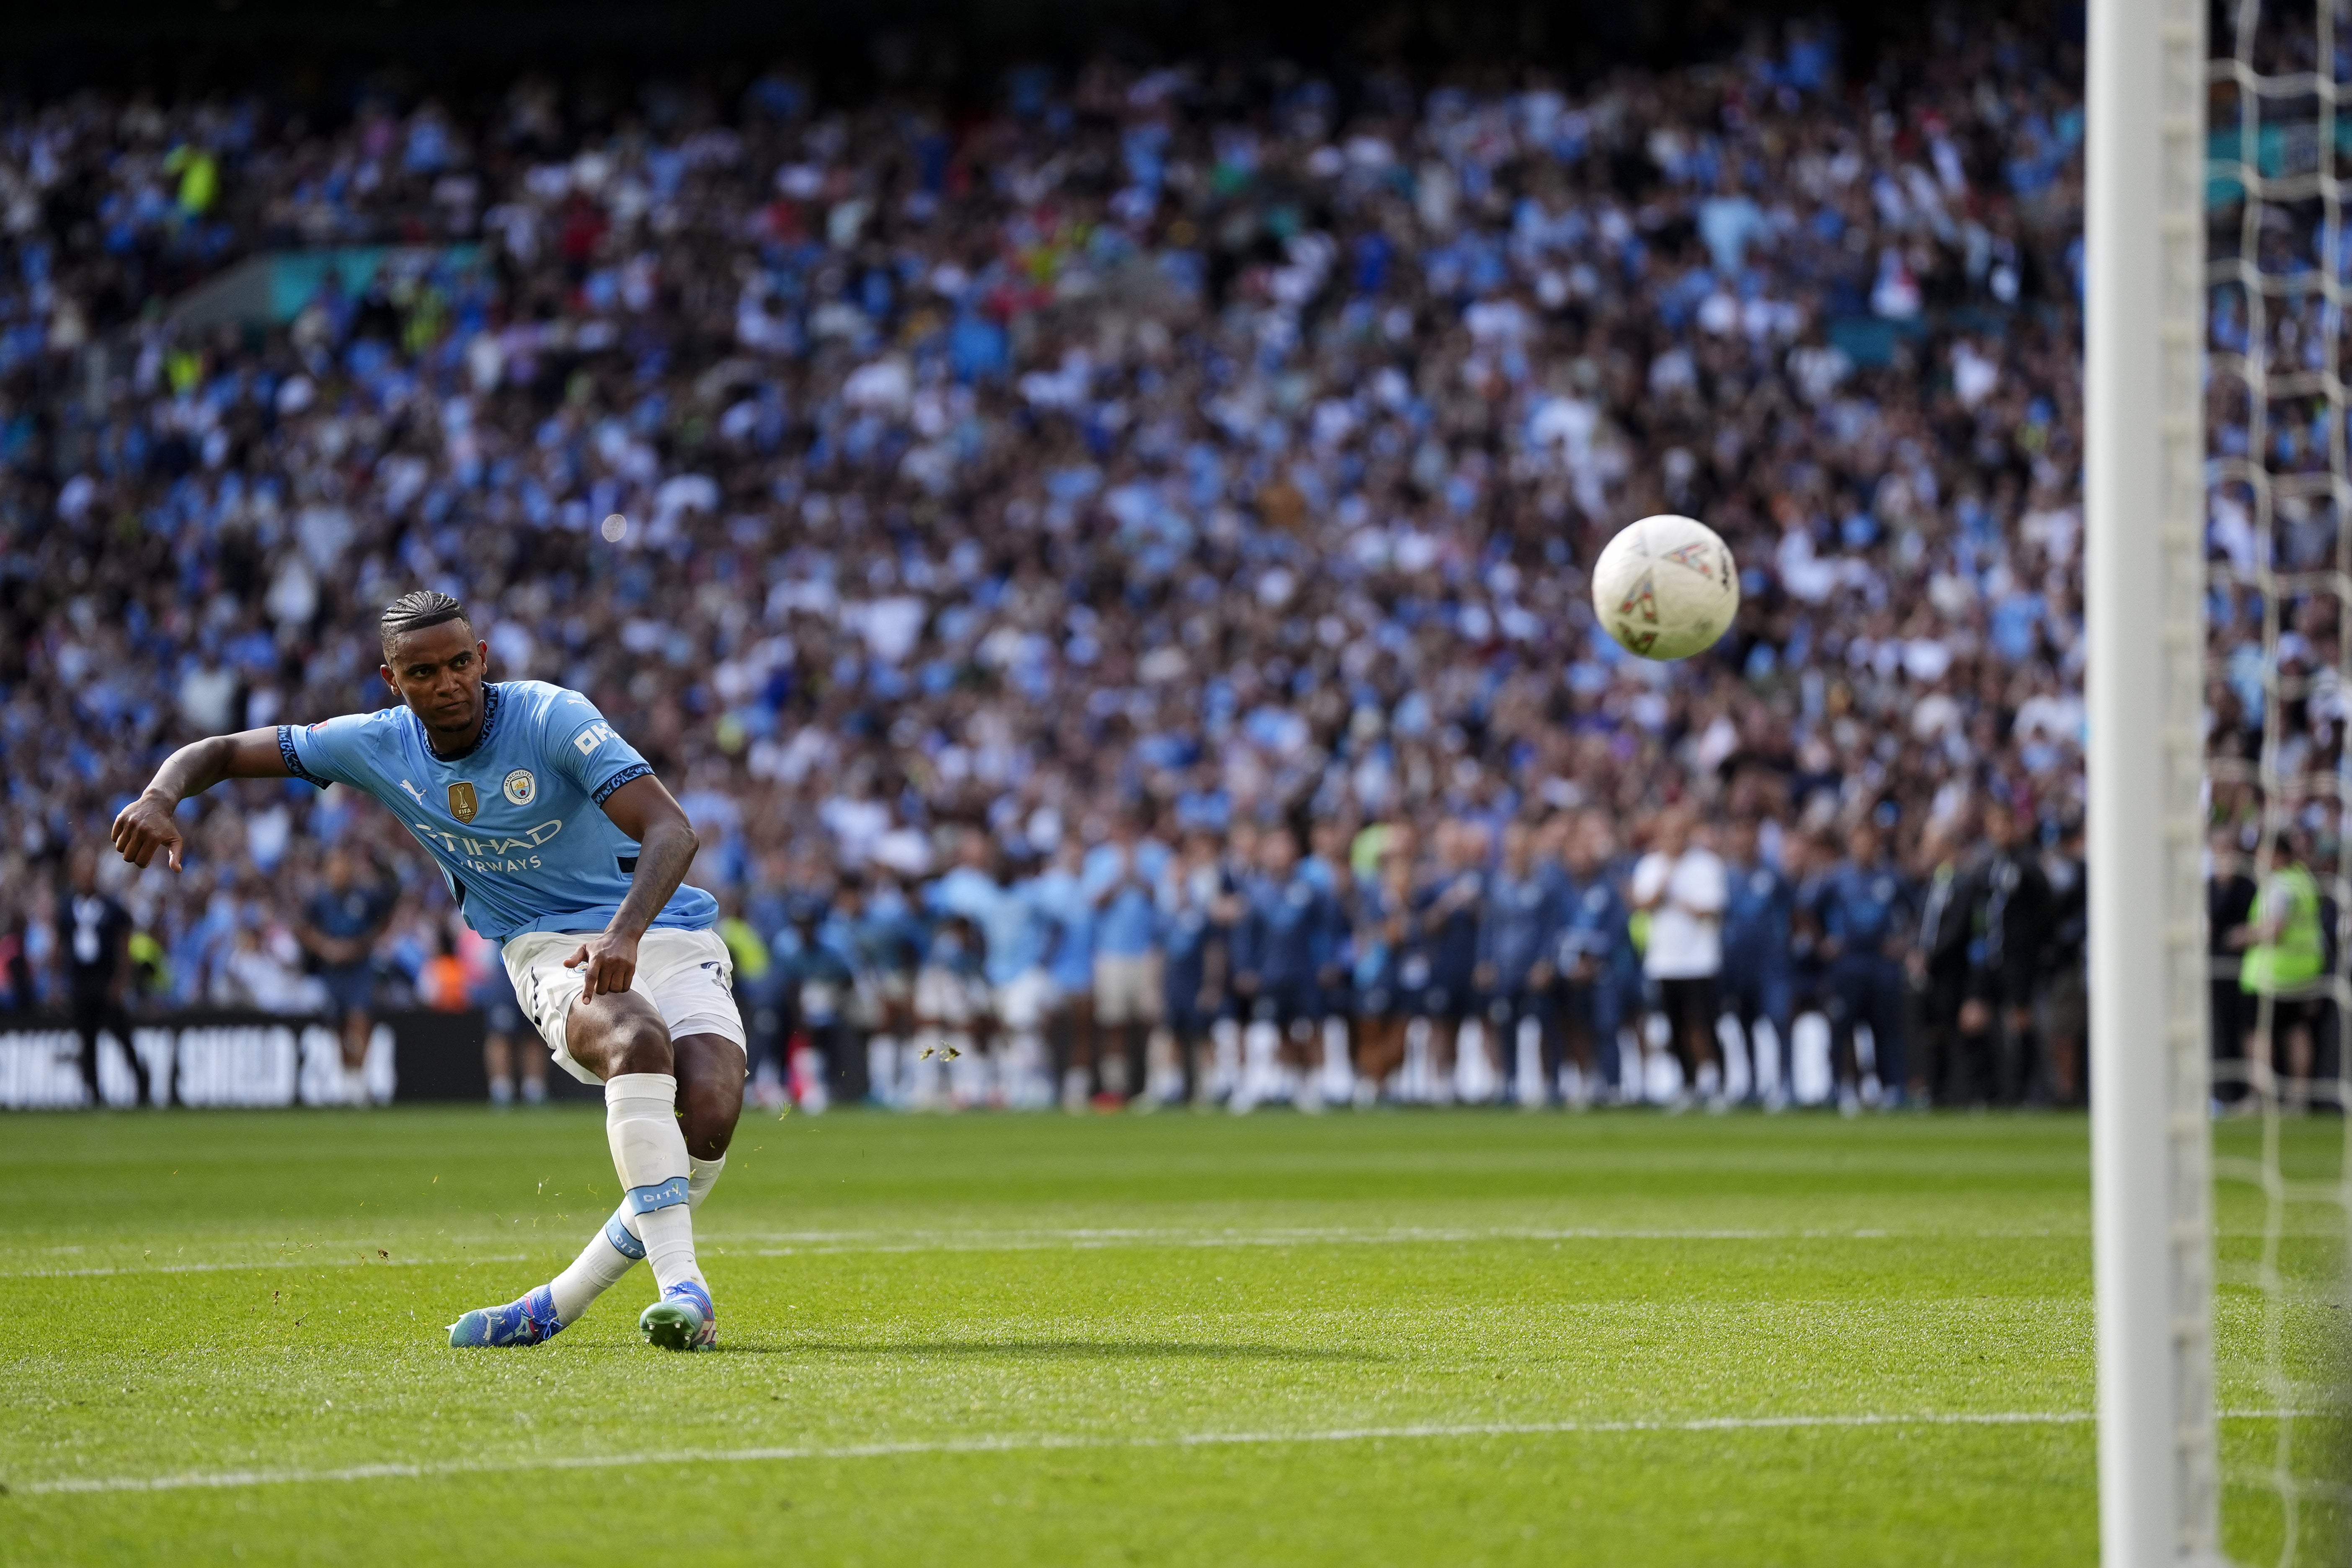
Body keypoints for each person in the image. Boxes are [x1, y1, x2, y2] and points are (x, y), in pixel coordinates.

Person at [110, 590, 739, 1353]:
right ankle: (685, 1291)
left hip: (657, 924)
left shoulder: (550, 718)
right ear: (392, 681)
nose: (446, 683)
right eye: (423, 672)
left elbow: (673, 828)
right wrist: (158, 795)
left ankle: (555, 1303)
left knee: (708, 1106)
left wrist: (625, 931)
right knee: (635, 1038)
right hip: (543, 943)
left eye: (458, 664)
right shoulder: (373, 744)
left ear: (483, 659)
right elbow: (217, 751)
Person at [1229, 825, 1339, 1113]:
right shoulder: (1255, 892)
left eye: (1285, 848)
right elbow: (1246, 935)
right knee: (1269, 1031)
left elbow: (1324, 931)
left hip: (1303, 972)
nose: (1280, 854)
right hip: (1270, 973)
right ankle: (1268, 1082)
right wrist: (1244, 968)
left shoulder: (1310, 891)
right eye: (1275, 848)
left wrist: (1327, 962)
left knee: (1310, 1029)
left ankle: (1313, 1085)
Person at [1628, 807, 1730, 1109]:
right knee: (1675, 1026)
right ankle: (1688, 1083)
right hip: (1664, 961)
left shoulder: (1707, 865)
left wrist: (1680, 901)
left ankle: (1719, 1083)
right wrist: (1665, 882)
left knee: (1706, 1023)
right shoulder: (1650, 865)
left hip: (1699, 961)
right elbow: (1641, 904)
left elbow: (1712, 910)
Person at [1817, 819, 1916, 1113]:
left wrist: (1904, 941)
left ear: (1876, 845)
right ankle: (1839, 1088)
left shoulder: (1892, 877)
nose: (1863, 848)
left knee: (1886, 1028)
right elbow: (1806, 910)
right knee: (1841, 1028)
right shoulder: (1836, 878)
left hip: (1882, 964)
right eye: (1858, 842)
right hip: (1848, 964)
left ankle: (1892, 1089)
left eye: (1868, 842)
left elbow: (1916, 911)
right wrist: (1823, 940)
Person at [2238, 825, 2327, 1110]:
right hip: (2304, 973)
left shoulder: (2278, 885)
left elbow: (2275, 929)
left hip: (2270, 975)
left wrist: (2243, 935)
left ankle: (2260, 1096)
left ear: (2276, 854)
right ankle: (2299, 1099)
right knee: (2297, 1034)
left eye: (2262, 852)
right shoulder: (2303, 881)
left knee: (2258, 1035)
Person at [58, 845, 154, 1108]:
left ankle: (142, 1085)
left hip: (106, 979)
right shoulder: (66, 907)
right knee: (87, 1041)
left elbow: (125, 950)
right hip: (81, 982)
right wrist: (58, 983)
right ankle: (95, 1095)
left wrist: (120, 983)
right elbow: (60, 947)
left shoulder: (112, 908)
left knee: (123, 1037)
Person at [296, 847, 395, 1100]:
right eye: (335, 868)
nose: (339, 873)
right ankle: (346, 1078)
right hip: (332, 970)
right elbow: (304, 929)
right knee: (337, 1025)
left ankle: (359, 1079)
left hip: (360, 968)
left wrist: (362, 944)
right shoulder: (319, 901)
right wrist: (326, 947)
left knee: (359, 1020)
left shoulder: (366, 897)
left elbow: (382, 922)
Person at [1972, 801, 2054, 1104]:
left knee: (2020, 1020)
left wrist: (2038, 950)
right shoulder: (1986, 867)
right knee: (1979, 1018)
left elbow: (2046, 912)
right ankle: (1991, 1090)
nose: (1998, 832)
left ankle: (2026, 1091)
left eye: (2003, 825)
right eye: (1993, 826)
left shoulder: (2027, 866)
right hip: (1989, 955)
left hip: (2019, 957)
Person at [1084, 815, 1169, 1106]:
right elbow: (1094, 902)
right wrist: (1120, 877)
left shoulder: (1156, 857)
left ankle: (1155, 1085)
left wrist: (1138, 875)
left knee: (1151, 1022)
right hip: (1111, 954)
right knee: (1114, 1023)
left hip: (1147, 952)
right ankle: (1115, 1086)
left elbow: (1164, 898)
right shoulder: (1099, 860)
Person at [1474, 822, 1557, 1106]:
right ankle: (1508, 1083)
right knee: (1504, 1028)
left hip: (1535, 969)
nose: (1517, 855)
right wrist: (1484, 961)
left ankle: (1551, 1085)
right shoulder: (1497, 884)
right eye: (1512, 850)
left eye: (1522, 849)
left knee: (1546, 1028)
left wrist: (1546, 961)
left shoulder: (1545, 884)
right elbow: (1489, 926)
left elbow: (1551, 928)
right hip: (1505, 968)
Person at [1550, 815, 1631, 1106]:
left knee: (1606, 1027)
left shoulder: (1608, 888)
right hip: (1568, 972)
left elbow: (1616, 929)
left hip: (1602, 972)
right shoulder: (1560, 889)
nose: (1580, 859)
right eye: (1574, 852)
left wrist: (1593, 961)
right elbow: (1554, 929)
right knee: (1573, 1028)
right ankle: (1582, 1080)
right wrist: (1566, 962)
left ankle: (1613, 1085)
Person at [1718, 818, 1795, 1109]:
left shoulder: (1773, 875)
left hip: (1770, 963)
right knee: (1743, 1023)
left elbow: (1792, 911)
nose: (1743, 844)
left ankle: (1785, 1083)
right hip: (1737, 964)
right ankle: (1750, 1084)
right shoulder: (1726, 876)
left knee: (1778, 1020)